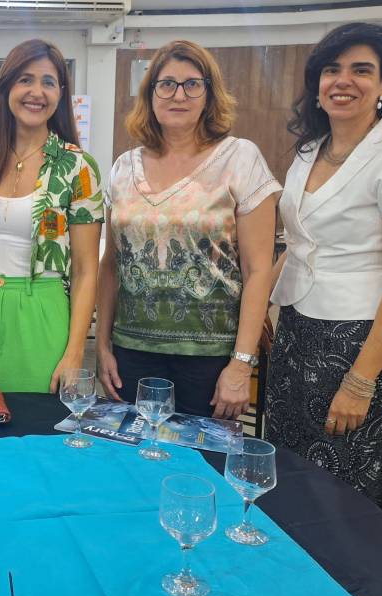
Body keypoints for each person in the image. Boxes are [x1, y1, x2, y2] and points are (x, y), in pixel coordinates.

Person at [267, 22, 382, 523]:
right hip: (299, 333)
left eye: (361, 70)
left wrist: (360, 382)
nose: (343, 81)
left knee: (350, 496)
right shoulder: (310, 150)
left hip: (362, 343)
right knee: (294, 481)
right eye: (332, 69)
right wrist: (262, 307)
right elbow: (299, 242)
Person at [96, 40, 280, 418]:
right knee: (132, 451)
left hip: (211, 360)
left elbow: (258, 270)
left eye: (192, 84)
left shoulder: (240, 158)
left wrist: (241, 364)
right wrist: (102, 347)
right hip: (132, 352)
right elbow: (110, 265)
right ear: (150, 94)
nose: (179, 95)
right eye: (167, 84)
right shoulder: (123, 167)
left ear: (209, 94)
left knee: (203, 453)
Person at [0, 39, 103, 393]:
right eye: (25, 80)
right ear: (6, 88)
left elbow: (85, 270)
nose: (37, 92)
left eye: (48, 82)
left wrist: (75, 352)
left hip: (42, 312)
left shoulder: (77, 167)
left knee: (37, 423)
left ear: (60, 93)